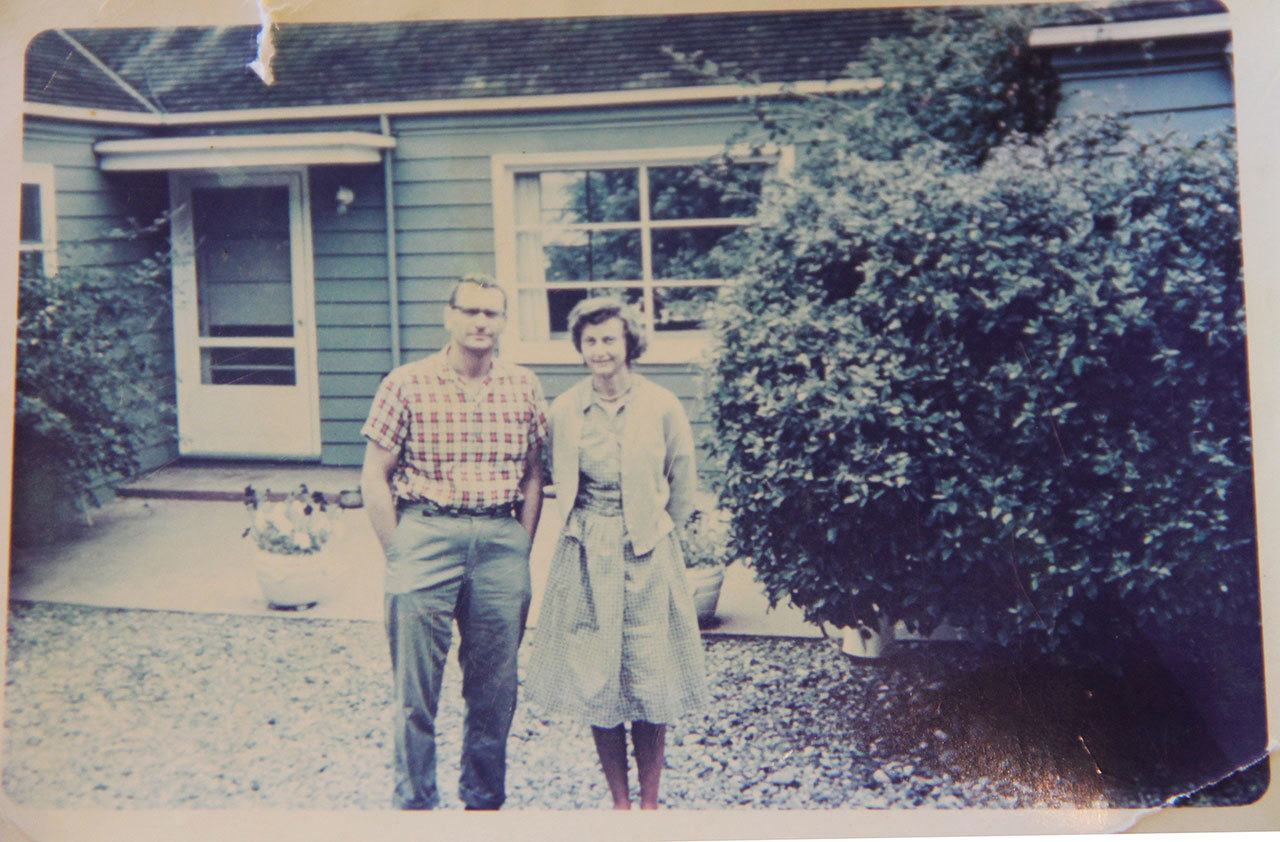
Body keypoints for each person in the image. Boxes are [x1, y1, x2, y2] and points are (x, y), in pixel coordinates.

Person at [360, 274, 548, 811]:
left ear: (504, 321)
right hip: (424, 531)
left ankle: (482, 803)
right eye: (470, 312)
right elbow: (374, 473)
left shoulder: (523, 385)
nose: (481, 322)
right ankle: (415, 804)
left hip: (499, 537)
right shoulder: (406, 382)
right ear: (450, 316)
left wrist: (520, 542)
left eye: (492, 313)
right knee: (416, 691)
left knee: (495, 690)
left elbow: (535, 473)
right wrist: (398, 548)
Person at [525, 297, 708, 810]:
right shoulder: (564, 408)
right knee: (596, 677)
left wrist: (656, 528)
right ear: (579, 348)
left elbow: (683, 479)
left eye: (609, 339)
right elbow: (548, 475)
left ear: (629, 344)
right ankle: (620, 806)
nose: (600, 350)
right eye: (590, 341)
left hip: (646, 551)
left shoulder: (661, 404)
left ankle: (649, 804)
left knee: (651, 676)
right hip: (586, 553)